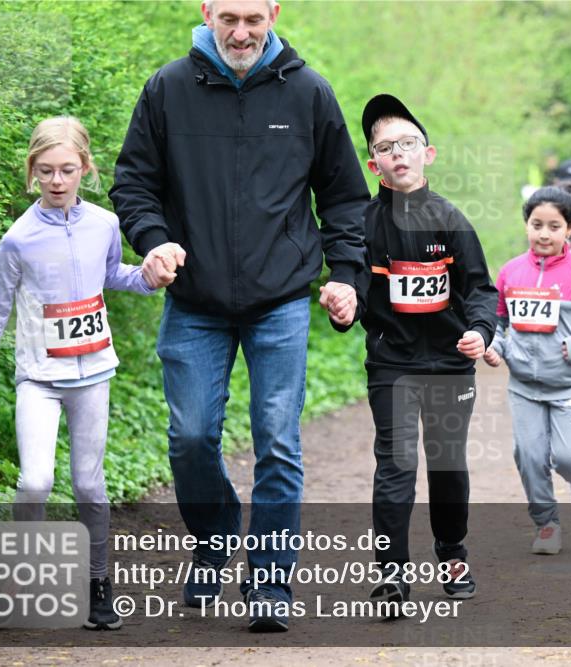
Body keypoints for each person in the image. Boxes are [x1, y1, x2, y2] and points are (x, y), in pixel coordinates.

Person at [109, 0, 369, 632]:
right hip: (194, 298)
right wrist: (154, 239)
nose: (242, 31)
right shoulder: (168, 87)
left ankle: (271, 583)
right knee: (191, 436)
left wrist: (347, 277)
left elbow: (343, 198)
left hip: (279, 298)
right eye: (230, 17)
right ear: (208, 12)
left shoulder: (309, 92)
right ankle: (217, 534)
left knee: (278, 438)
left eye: (254, 18)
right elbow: (133, 183)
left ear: (273, 13)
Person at [0, 116, 162, 631]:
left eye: (68, 170)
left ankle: (99, 586)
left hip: (93, 374)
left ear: (85, 169)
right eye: (47, 171)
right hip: (39, 378)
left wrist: (149, 278)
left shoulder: (104, 224)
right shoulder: (19, 238)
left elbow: (114, 276)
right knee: (35, 482)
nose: (57, 181)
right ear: (32, 171)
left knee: (89, 487)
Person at [330, 94, 497, 612]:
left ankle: (451, 550)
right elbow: (352, 281)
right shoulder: (362, 222)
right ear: (372, 163)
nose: (397, 153)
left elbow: (480, 289)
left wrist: (481, 332)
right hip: (392, 362)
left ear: (429, 154)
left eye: (408, 143)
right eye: (385, 147)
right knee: (396, 464)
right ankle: (392, 574)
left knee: (446, 463)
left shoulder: (451, 219)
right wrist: (345, 304)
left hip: (449, 362)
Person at [484, 179, 571, 555]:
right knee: (528, 456)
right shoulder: (511, 272)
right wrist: (495, 346)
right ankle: (546, 525)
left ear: (570, 230)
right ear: (527, 225)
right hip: (524, 384)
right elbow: (496, 322)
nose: (544, 234)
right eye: (536, 225)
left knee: (569, 457)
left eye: (554, 227)